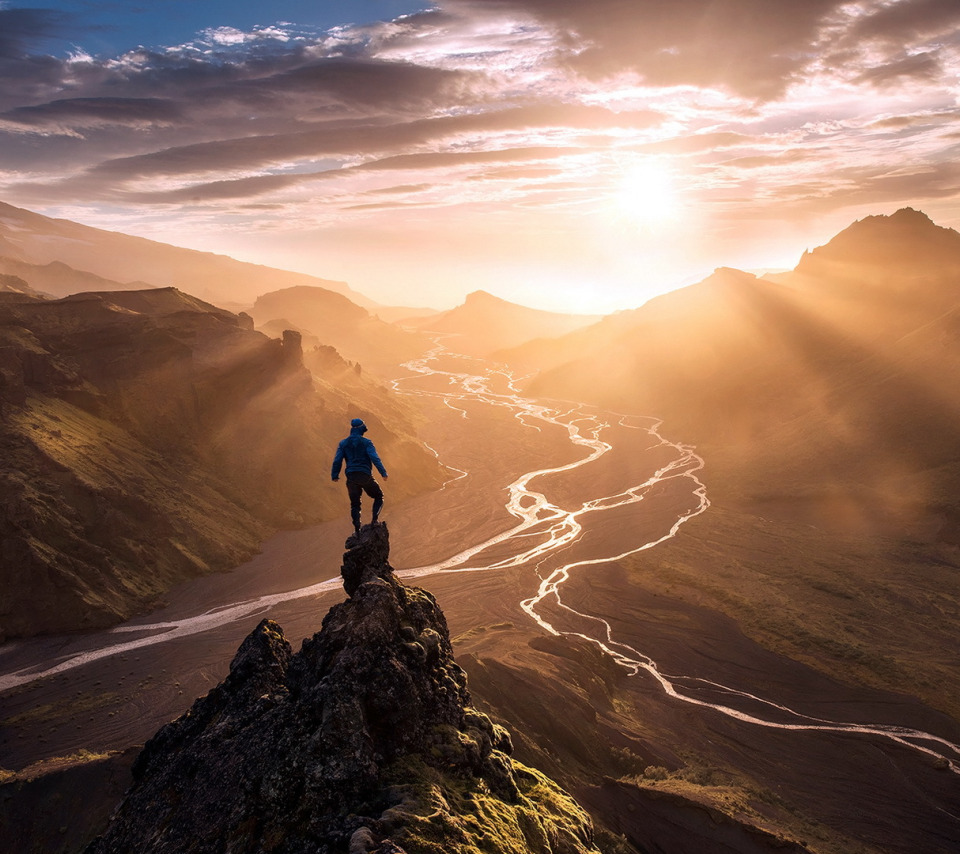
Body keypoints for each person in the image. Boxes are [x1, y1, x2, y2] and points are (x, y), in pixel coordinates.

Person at [331, 417, 388, 534]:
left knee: (355, 504)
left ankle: (357, 530)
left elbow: (337, 460)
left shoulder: (343, 443)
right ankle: (375, 520)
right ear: (362, 427)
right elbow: (375, 458)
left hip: (351, 477)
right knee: (379, 496)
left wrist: (335, 475)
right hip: (365, 475)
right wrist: (383, 473)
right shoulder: (367, 443)